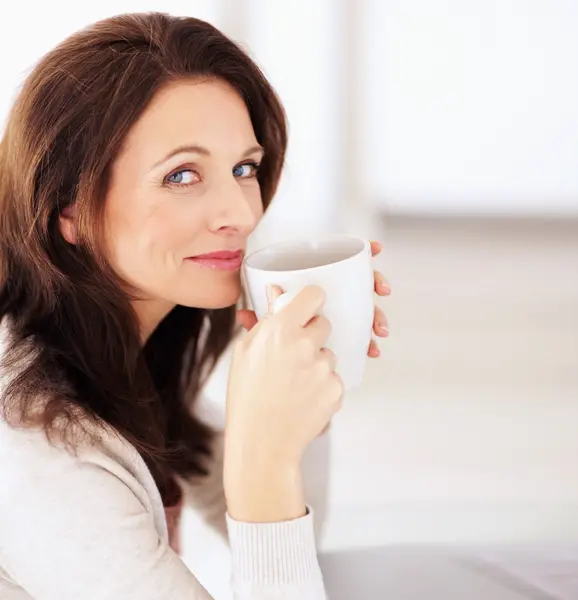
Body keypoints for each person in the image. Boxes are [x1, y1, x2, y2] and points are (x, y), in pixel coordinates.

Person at [0, 12, 390, 600]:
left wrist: (302, 388)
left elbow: (296, 553)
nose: (240, 213)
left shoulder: (125, 361)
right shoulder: (40, 448)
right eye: (182, 175)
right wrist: (264, 459)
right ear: (70, 210)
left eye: (244, 169)